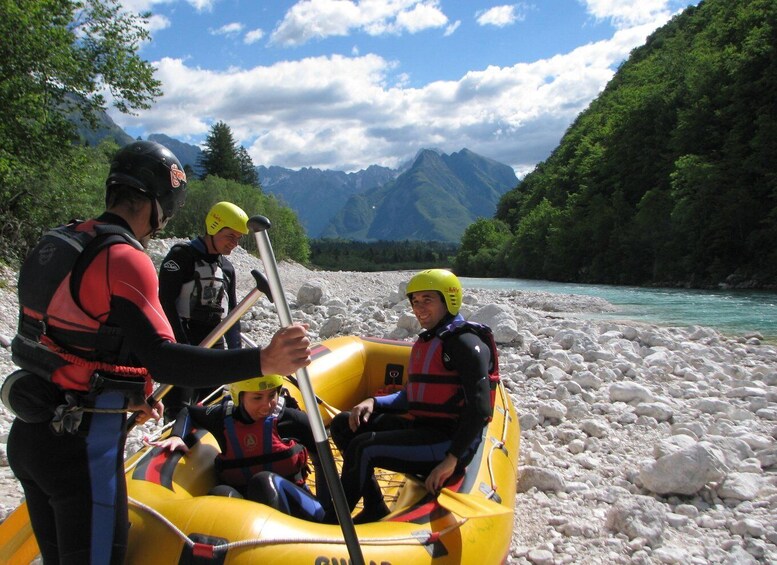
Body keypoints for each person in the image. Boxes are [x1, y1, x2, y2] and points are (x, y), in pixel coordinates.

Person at [3, 140, 311, 565]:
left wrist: (129, 388)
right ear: (157, 204)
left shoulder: (58, 242)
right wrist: (263, 361)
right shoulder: (124, 257)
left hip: (31, 436)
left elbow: (77, 339)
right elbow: (166, 359)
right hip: (82, 451)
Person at [328, 268, 499, 524]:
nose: (419, 308)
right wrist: (373, 402)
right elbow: (412, 397)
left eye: (427, 300)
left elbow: (480, 409)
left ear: (449, 300)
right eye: (415, 301)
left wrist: (451, 460)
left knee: (363, 447)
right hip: (423, 429)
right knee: (344, 423)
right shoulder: (429, 341)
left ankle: (333, 524)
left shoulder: (464, 343)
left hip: (448, 442)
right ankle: (374, 507)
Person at [152, 374, 330, 521]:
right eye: (257, 398)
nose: (266, 405)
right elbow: (188, 412)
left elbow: (324, 462)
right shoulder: (221, 418)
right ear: (239, 397)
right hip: (247, 514)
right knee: (220, 493)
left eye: (271, 396)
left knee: (263, 482)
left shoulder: (292, 419)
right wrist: (177, 436)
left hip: (298, 509)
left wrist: (327, 511)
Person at [158, 201, 248, 420]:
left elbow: (233, 313)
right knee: (178, 411)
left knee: (213, 408)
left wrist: (236, 354)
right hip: (183, 342)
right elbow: (165, 303)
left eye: (238, 238)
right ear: (214, 227)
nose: (234, 244)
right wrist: (180, 345)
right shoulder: (181, 257)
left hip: (214, 343)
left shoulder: (226, 268)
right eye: (230, 236)